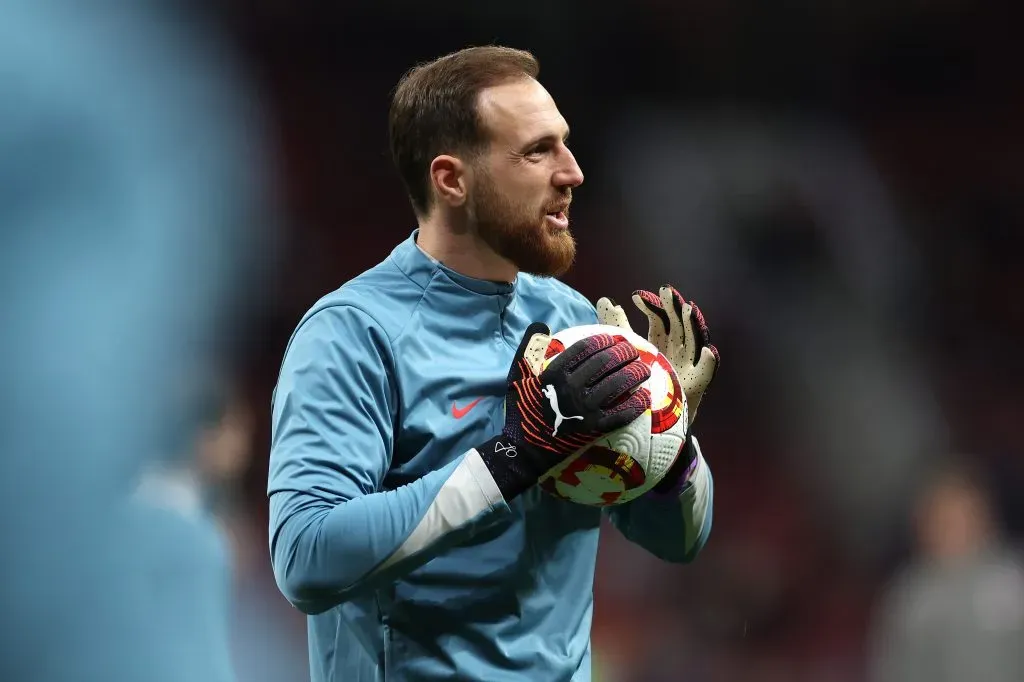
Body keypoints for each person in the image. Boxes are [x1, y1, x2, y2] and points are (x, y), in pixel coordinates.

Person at [268, 45, 720, 682]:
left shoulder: (570, 321)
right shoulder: (352, 334)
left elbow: (680, 542)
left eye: (564, 144)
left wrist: (668, 446)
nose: (573, 172)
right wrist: (515, 458)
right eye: (537, 151)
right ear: (451, 180)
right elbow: (306, 558)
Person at [868, 462, 1024, 682]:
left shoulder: (1015, 579)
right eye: (940, 518)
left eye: (959, 515)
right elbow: (892, 668)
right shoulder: (909, 597)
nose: (950, 527)